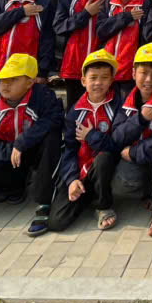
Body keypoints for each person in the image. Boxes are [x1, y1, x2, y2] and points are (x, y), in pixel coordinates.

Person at [0, 53, 65, 231]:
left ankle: (44, 201)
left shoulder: (43, 96)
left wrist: (23, 142)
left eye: (13, 79)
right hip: (12, 154)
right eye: (3, 79)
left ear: (30, 82)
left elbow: (55, 119)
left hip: (37, 150)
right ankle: (17, 187)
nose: (6, 84)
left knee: (52, 138)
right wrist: (12, 149)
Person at [106, 43, 152, 238]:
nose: (148, 79)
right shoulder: (127, 99)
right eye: (143, 73)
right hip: (141, 162)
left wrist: (132, 152)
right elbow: (116, 137)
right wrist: (140, 118)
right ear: (133, 73)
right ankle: (150, 191)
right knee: (119, 186)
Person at [44, 49, 121, 235]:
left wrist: (91, 136)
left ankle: (103, 206)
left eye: (104, 78)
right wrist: (72, 179)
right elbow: (69, 150)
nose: (98, 83)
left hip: (107, 167)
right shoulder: (75, 112)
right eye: (93, 78)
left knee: (104, 158)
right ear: (83, 81)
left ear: (112, 81)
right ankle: (87, 195)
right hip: (81, 170)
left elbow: (117, 144)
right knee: (56, 222)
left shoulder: (118, 105)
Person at [54, 0, 111, 99]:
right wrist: (85, 14)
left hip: (103, 61)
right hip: (74, 63)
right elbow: (59, 27)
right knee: (74, 105)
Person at [98, 0, 148, 95]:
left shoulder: (145, 3)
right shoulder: (109, 3)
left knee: (127, 104)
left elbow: (146, 37)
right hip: (109, 68)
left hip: (131, 69)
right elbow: (101, 32)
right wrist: (127, 17)